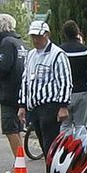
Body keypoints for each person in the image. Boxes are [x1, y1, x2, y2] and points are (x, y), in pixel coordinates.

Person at [18, 21, 71, 159]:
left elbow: (65, 81)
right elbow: (25, 80)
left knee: (51, 143)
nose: (35, 39)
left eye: (38, 36)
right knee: (43, 142)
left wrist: (63, 106)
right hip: (34, 106)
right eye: (33, 36)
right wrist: (22, 105)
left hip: (50, 105)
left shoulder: (57, 54)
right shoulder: (31, 55)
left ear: (47, 35)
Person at [0, 13, 28, 173]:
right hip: (20, 91)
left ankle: (20, 166)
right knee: (17, 130)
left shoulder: (6, 43)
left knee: (10, 130)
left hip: (8, 92)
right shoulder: (20, 42)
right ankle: (18, 163)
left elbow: (3, 67)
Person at [59, 20, 87, 128]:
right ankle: (81, 145)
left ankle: (65, 145)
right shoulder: (86, 51)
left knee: (65, 127)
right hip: (82, 92)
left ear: (64, 34)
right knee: (81, 127)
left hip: (64, 95)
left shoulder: (60, 51)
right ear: (77, 32)